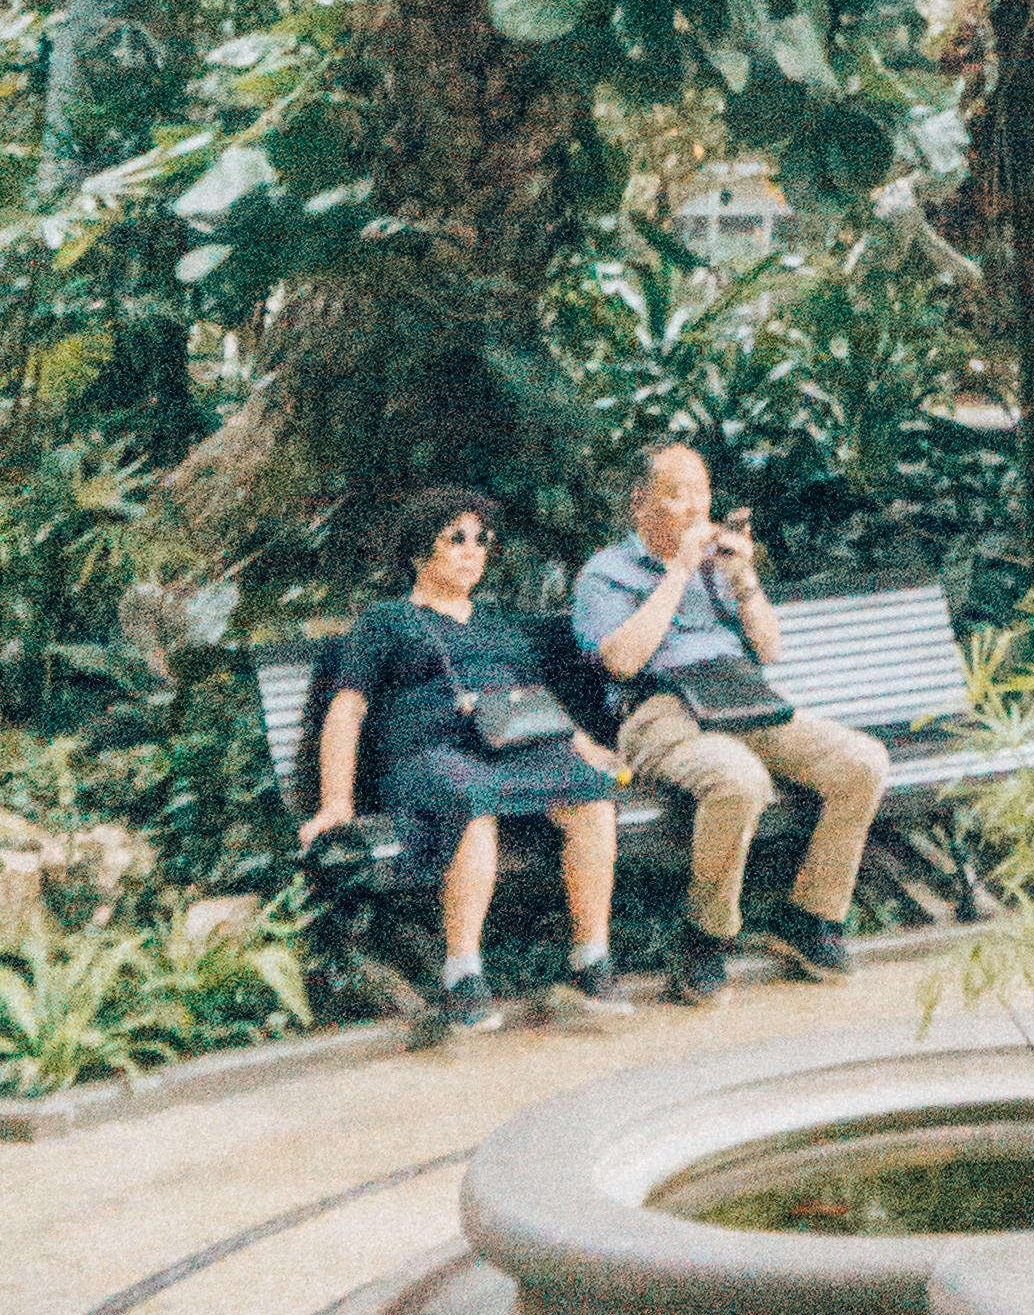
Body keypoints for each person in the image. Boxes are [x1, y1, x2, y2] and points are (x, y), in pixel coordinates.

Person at [306, 487, 634, 1038]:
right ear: (418, 552)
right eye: (455, 538)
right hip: (427, 755)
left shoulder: (499, 625)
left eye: (481, 540)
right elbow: (346, 710)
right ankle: (462, 972)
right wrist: (336, 804)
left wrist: (585, 747)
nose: (472, 550)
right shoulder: (386, 622)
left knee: (592, 798)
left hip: (511, 750)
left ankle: (591, 959)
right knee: (471, 807)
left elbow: (535, 703)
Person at [570, 437, 887, 1002]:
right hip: (660, 709)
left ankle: (812, 918)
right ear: (641, 503)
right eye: (677, 495)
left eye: (702, 493)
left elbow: (769, 650)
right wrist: (677, 573)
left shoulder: (720, 569)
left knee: (863, 762)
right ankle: (705, 935)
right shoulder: (605, 573)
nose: (694, 507)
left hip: (742, 698)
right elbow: (620, 662)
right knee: (739, 780)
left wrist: (744, 580)